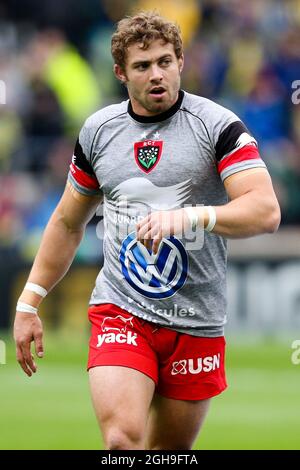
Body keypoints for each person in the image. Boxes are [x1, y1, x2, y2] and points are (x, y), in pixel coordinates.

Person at [14, 12, 281, 450]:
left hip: (196, 322)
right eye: (142, 66)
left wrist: (192, 216)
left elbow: (265, 210)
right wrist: (29, 303)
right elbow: (66, 221)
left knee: (167, 453)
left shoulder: (218, 126)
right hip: (122, 311)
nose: (156, 74)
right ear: (121, 73)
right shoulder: (99, 132)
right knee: (123, 442)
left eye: (164, 61)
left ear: (181, 60)